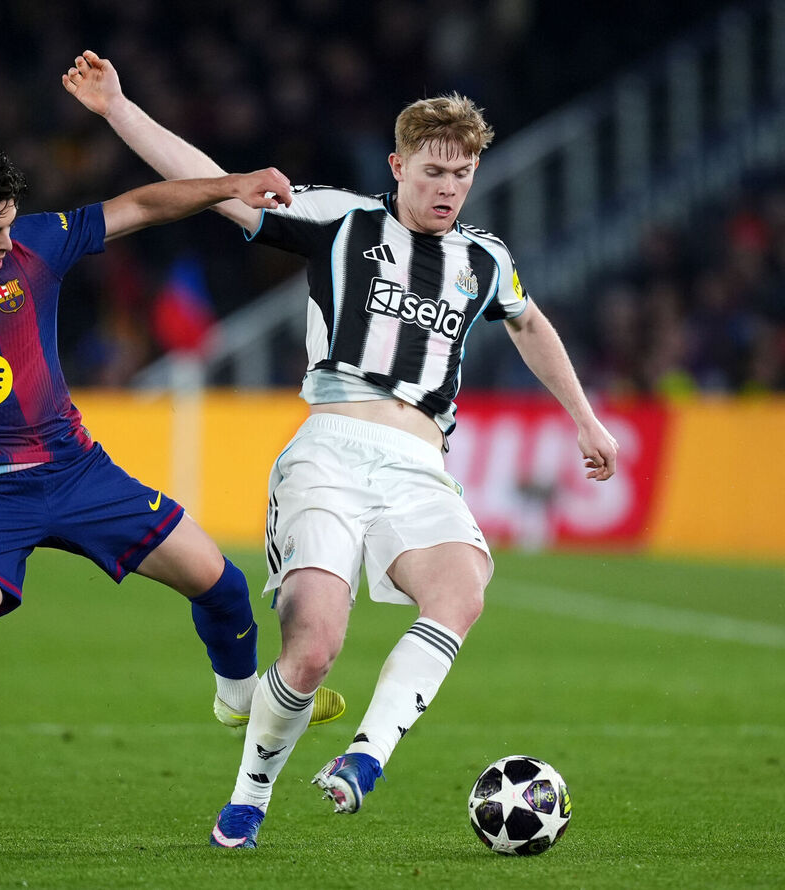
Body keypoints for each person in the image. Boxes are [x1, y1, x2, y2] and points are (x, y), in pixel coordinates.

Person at [63, 49, 619, 849]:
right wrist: (118, 107)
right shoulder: (341, 220)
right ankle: (249, 798)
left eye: (462, 175)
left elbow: (529, 323)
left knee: (462, 589)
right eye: (433, 172)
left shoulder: (484, 259)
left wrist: (585, 418)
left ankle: (366, 757)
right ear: (398, 166)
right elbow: (214, 185)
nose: (448, 188)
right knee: (314, 648)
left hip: (420, 464)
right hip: (330, 452)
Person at [0, 138, 346, 833]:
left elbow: (142, 205)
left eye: (8, 225)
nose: (5, 243)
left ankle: (239, 694)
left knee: (222, 584)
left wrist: (229, 184)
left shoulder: (37, 244)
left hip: (77, 471)